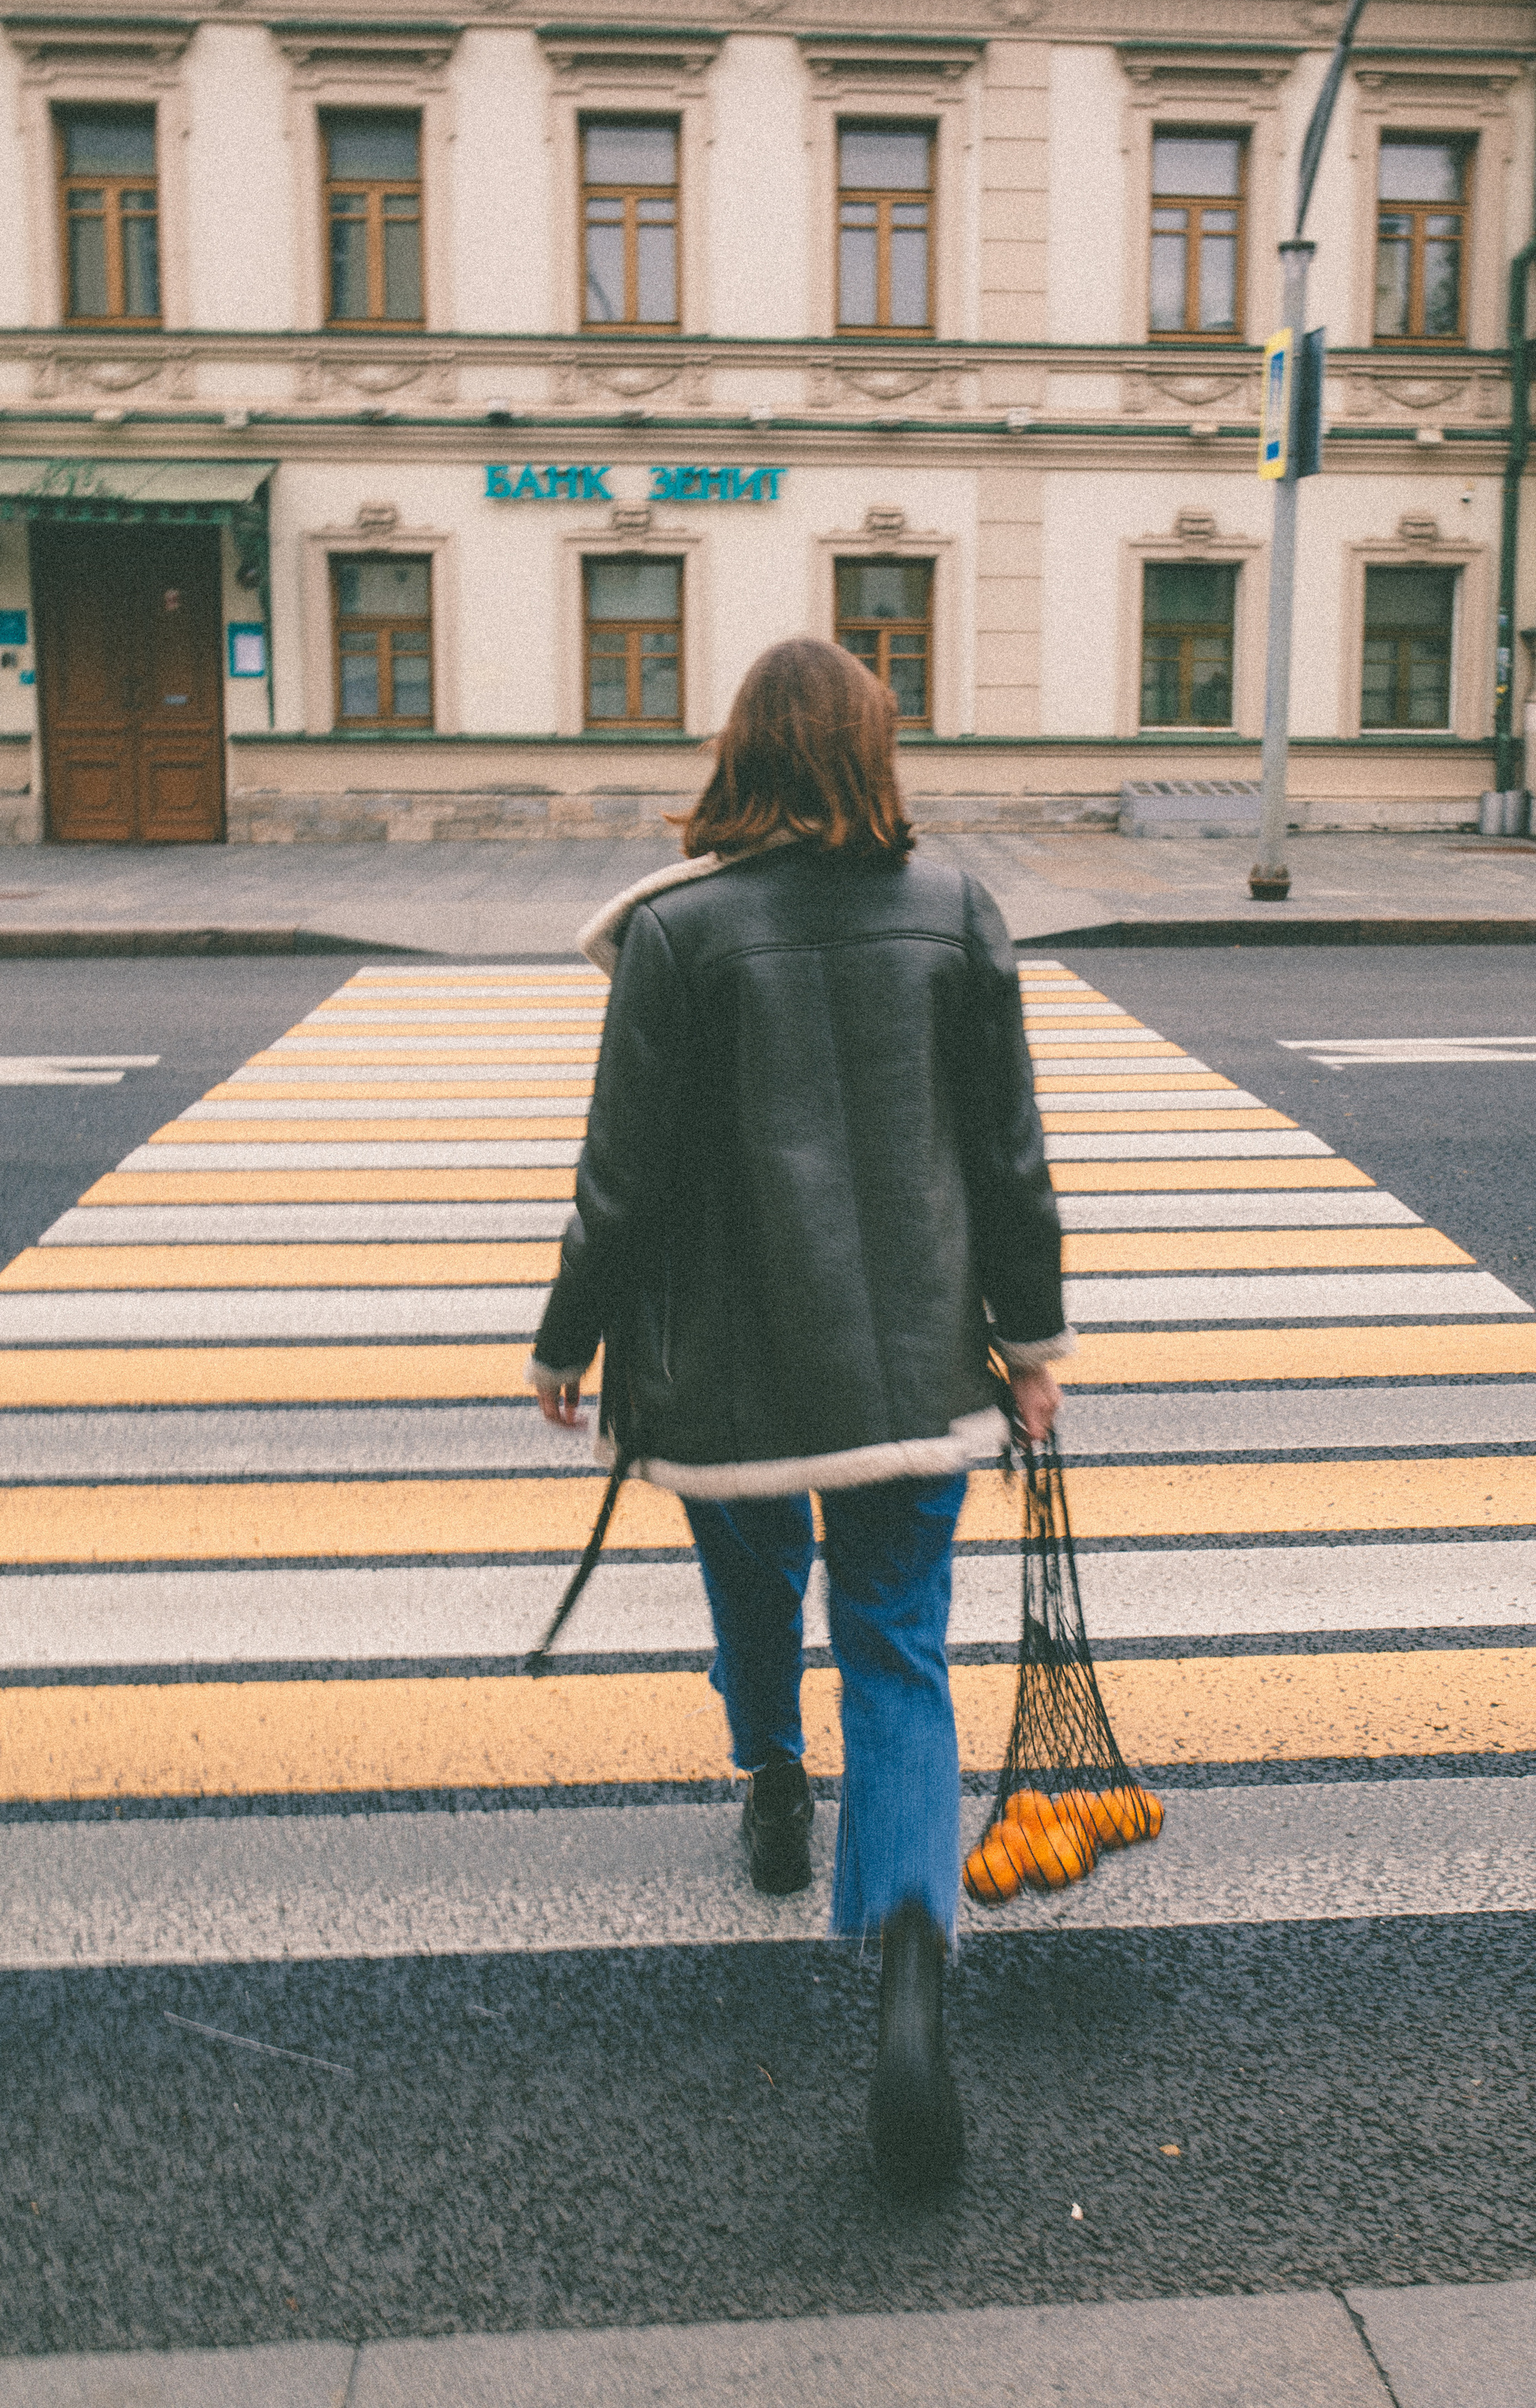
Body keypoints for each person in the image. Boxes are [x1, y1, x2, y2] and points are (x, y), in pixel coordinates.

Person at [528, 637, 1068, 2199]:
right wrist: (1028, 1348)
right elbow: (1009, 1157)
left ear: (735, 756)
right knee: (898, 1649)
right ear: (873, 753)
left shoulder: (676, 937)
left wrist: (567, 1342)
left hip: (726, 1369)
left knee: (751, 1582)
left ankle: (772, 1781)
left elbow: (618, 1179)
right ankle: (907, 1965)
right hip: (912, 1371)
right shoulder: (955, 912)